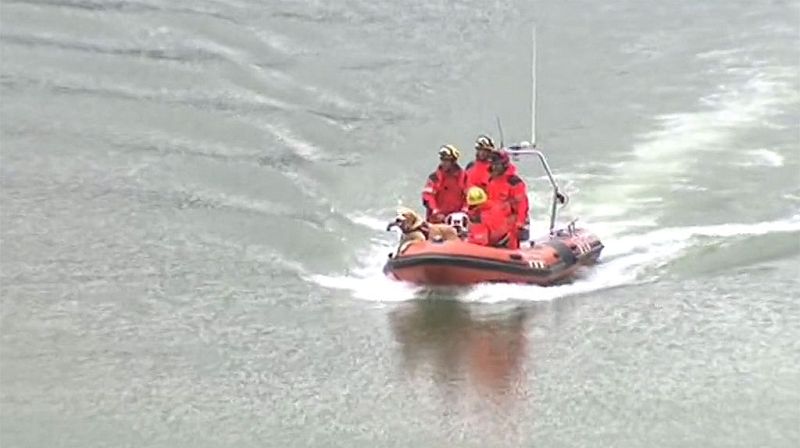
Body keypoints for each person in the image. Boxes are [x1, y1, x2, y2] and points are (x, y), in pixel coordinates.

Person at [486, 150, 530, 245]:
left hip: (509, 224)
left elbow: (522, 205)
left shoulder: (514, 182)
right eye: (493, 164)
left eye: (497, 164)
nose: (494, 167)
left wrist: (520, 223)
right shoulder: (490, 180)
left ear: (504, 165)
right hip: (492, 222)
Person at [421, 144, 468, 223]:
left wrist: (464, 211)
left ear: (453, 161)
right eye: (442, 160)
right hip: (438, 220)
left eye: (447, 160)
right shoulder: (434, 177)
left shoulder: (464, 177)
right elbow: (427, 196)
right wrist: (435, 211)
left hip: (458, 220)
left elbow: (468, 197)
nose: (444, 163)